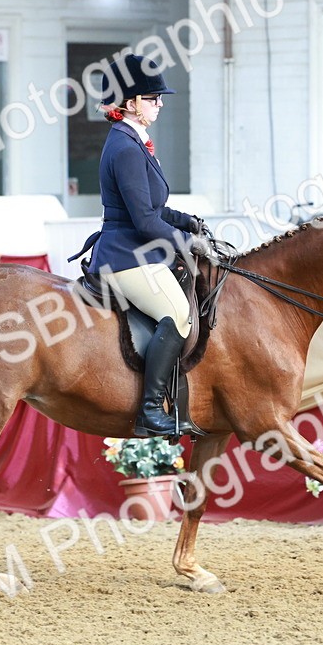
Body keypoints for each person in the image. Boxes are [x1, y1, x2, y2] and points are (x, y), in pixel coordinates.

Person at [77, 54, 211, 437]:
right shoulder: (124, 147)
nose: (161, 103)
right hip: (124, 257)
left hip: (137, 248)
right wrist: (188, 243)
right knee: (180, 314)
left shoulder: (132, 141)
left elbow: (152, 208)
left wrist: (185, 221)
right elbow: (144, 222)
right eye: (154, 97)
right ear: (131, 102)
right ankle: (151, 409)